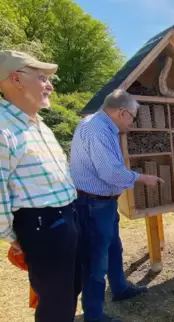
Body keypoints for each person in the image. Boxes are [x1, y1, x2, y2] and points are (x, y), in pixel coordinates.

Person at [0, 50, 81, 322]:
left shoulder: (38, 124)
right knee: (55, 302)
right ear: (16, 79)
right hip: (41, 225)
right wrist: (13, 238)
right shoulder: (3, 127)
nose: (50, 85)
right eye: (42, 78)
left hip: (65, 217)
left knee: (70, 289)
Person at [70, 89, 164, 322]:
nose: (132, 124)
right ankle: (94, 314)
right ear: (122, 112)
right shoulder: (97, 129)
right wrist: (143, 178)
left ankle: (120, 289)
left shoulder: (102, 126)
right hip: (92, 203)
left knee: (113, 248)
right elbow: (110, 172)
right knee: (95, 260)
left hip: (104, 202)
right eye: (132, 117)